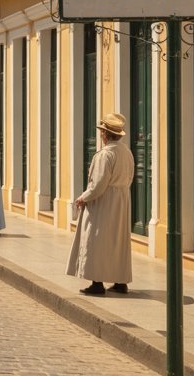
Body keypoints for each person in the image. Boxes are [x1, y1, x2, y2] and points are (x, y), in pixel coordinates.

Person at [67, 112, 136, 296]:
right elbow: (130, 177)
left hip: (104, 202)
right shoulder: (127, 152)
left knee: (96, 239)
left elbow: (98, 184)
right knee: (118, 241)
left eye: (102, 132)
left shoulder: (105, 155)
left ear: (105, 134)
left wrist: (84, 197)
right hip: (121, 200)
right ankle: (120, 281)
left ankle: (97, 283)